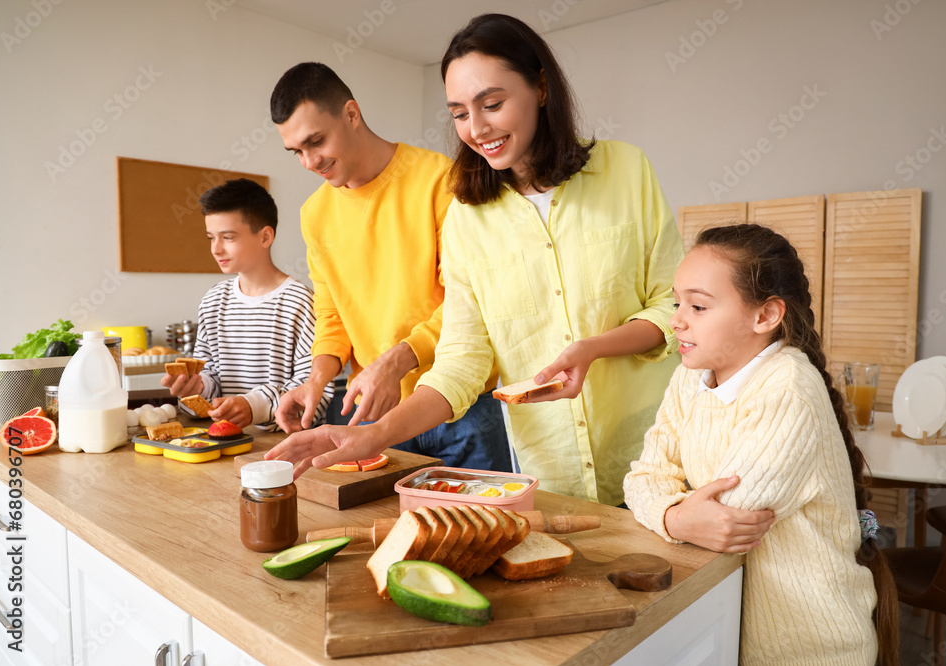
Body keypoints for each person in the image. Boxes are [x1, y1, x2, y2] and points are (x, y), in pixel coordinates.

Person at [268, 14, 684, 507]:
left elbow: (673, 308)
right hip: (547, 471)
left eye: (492, 104)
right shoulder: (469, 215)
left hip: (656, 458)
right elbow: (461, 362)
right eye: (460, 113)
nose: (477, 128)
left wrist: (593, 347)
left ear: (542, 87)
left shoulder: (627, 171)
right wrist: (372, 435)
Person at [623, 223, 898, 666]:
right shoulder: (688, 377)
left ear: (766, 316)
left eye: (697, 305)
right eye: (678, 303)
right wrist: (675, 517)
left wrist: (670, 511)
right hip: (736, 633)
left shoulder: (788, 387)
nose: (675, 320)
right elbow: (642, 476)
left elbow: (726, 521)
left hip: (812, 647)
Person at [268, 62, 511, 471]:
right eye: (297, 152)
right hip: (375, 414)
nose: (309, 162)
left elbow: (470, 302)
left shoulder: (443, 180)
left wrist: (396, 360)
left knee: (481, 532)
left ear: (351, 113)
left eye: (316, 141)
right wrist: (315, 382)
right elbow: (331, 315)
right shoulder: (315, 214)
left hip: (463, 409)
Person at [162, 178, 332, 429]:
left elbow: (315, 393)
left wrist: (253, 406)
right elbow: (211, 376)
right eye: (211, 237)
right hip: (227, 446)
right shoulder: (213, 301)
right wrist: (197, 388)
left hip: (288, 451)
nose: (216, 249)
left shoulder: (301, 303)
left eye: (228, 237)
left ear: (265, 236)